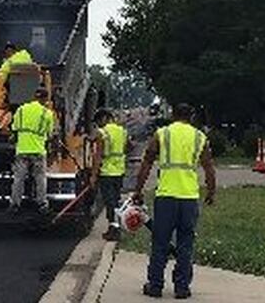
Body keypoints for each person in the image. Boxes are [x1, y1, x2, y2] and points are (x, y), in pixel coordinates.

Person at [133, 103, 216, 299]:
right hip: (189, 198)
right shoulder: (199, 137)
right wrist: (211, 191)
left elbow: (146, 163)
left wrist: (138, 190)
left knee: (160, 242)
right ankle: (182, 287)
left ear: (172, 114)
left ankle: (155, 285)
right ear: (192, 116)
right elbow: (209, 167)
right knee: (186, 243)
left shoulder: (162, 134)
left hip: (166, 197)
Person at [9, 87, 55, 214]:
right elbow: (50, 134)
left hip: (22, 150)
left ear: (34, 97)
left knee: (18, 178)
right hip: (38, 151)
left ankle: (15, 204)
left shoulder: (21, 110)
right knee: (40, 178)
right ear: (45, 99)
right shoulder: (47, 113)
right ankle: (42, 204)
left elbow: (15, 128)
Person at [90, 109, 130, 241]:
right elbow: (128, 147)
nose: (98, 125)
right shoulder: (122, 131)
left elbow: (98, 156)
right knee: (116, 200)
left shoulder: (103, 132)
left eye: (98, 121)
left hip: (107, 172)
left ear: (104, 118)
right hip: (120, 171)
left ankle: (114, 230)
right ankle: (116, 227)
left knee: (109, 202)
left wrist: (93, 175)